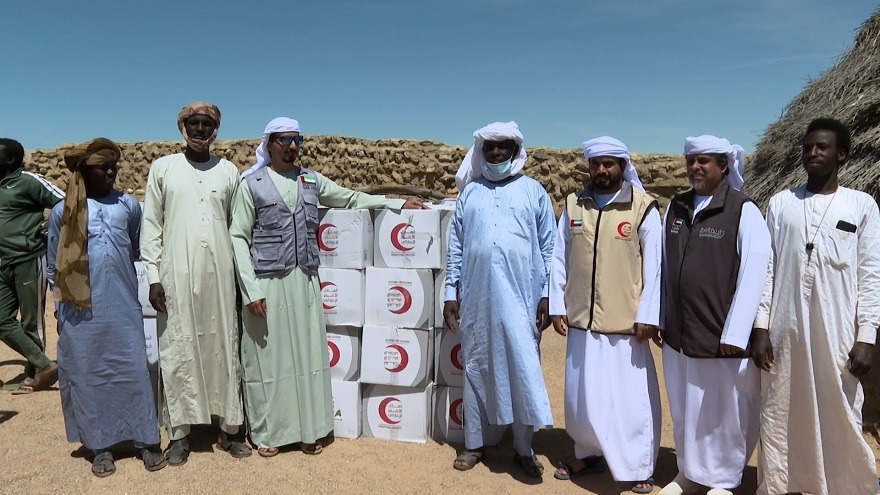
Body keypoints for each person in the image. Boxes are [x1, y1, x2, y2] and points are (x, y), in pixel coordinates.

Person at [231, 117, 426, 457]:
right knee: (269, 360)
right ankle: (270, 433)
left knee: (308, 358)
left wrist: (396, 203)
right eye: (286, 140)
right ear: (270, 143)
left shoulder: (310, 180)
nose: (293, 147)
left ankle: (310, 430)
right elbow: (237, 237)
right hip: (266, 284)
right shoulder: (251, 183)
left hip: (304, 280)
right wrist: (251, 291)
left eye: (298, 140)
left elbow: (350, 199)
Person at [751, 118, 880, 495]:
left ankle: (844, 486)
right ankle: (782, 484)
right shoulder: (780, 203)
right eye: (808, 147)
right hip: (784, 330)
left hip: (837, 331)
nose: (813, 153)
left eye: (822, 147)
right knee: (781, 409)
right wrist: (761, 327)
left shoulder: (862, 206)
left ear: (841, 155)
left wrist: (867, 335)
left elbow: (870, 273)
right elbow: (769, 269)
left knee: (840, 409)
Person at [659, 136, 771, 495]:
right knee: (684, 409)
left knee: (724, 413)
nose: (695, 167)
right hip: (680, 333)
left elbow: (755, 272)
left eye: (704, 161)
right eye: (691, 160)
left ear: (724, 166)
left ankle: (721, 480)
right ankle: (689, 473)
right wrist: (662, 318)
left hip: (721, 336)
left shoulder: (742, 209)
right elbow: (662, 267)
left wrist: (736, 333)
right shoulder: (676, 207)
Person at [47, 138, 166, 477]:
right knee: (88, 373)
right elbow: (54, 262)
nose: (112, 172)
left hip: (122, 305)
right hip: (79, 310)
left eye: (114, 165)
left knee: (132, 368)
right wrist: (59, 311)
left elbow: (137, 249)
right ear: (85, 171)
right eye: (104, 167)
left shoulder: (128, 206)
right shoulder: (62, 213)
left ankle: (145, 439)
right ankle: (100, 446)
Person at [549, 136, 661, 494]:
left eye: (609, 163)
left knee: (629, 400)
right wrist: (556, 304)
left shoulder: (642, 207)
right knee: (582, 398)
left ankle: (638, 464)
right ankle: (589, 452)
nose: (601, 170)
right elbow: (557, 257)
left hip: (626, 324)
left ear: (622, 166)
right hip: (582, 320)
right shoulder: (573, 204)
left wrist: (648, 313)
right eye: (596, 164)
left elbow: (656, 267)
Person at [443, 121, 555, 478]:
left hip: (522, 297)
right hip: (476, 297)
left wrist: (547, 294)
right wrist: (450, 293)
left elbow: (550, 247)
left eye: (502, 146)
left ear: (515, 150)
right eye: (489, 147)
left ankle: (524, 448)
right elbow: (455, 248)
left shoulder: (534, 191)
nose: (495, 153)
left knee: (522, 367)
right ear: (481, 151)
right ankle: (474, 444)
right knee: (476, 366)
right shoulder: (470, 193)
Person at [141, 101, 251, 465]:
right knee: (178, 349)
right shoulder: (163, 168)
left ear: (215, 129)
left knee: (223, 346)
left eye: (207, 124)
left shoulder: (230, 172)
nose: (201, 129)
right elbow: (152, 226)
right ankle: (179, 436)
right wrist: (154, 277)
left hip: (221, 275)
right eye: (194, 123)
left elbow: (238, 228)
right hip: (176, 276)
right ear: (182, 127)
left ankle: (230, 429)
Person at [0, 137, 63, 394]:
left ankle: (35, 372)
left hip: (28, 259)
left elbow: (63, 201)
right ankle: (43, 364)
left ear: (11, 159)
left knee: (31, 321)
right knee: (2, 320)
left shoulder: (28, 180)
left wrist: (47, 229)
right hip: (3, 263)